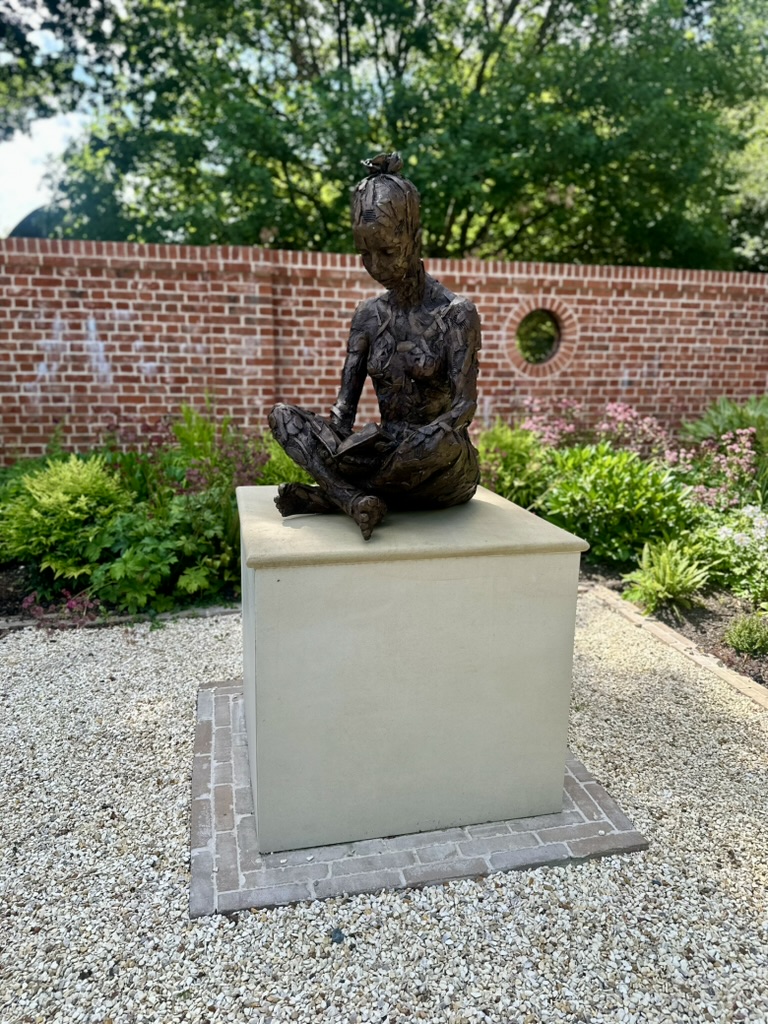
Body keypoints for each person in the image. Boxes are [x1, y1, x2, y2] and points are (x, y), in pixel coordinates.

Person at [268, 152, 481, 540]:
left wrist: (425, 436)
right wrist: (340, 443)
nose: (376, 266)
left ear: (413, 239)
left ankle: (332, 498)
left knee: (439, 444)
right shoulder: (367, 315)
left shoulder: (455, 314)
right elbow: (343, 411)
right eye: (364, 254)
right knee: (283, 416)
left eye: (386, 251)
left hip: (438, 461)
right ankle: (353, 499)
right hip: (385, 452)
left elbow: (464, 408)